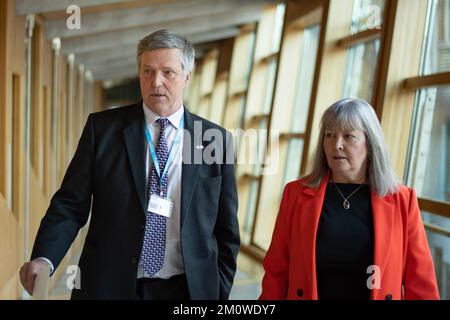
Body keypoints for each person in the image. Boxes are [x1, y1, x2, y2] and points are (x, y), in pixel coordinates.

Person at [19, 29, 240, 300]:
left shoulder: (213, 140)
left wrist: (219, 290)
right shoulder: (102, 130)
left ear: (187, 77)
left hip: (188, 289)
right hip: (110, 285)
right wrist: (45, 257)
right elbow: (70, 204)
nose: (156, 81)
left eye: (167, 72)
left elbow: (226, 229)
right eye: (148, 71)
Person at [259, 98, 439, 300]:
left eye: (349, 136)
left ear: (371, 143)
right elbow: (277, 270)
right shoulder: (296, 194)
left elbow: (421, 282)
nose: (336, 145)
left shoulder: (402, 201)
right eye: (329, 135)